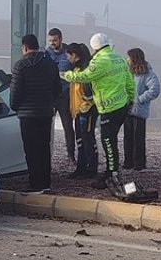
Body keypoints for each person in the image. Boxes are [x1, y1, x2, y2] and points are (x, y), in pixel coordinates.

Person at [62, 33, 135, 189]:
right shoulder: (119, 58)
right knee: (111, 141)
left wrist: (66, 75)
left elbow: (86, 76)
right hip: (121, 106)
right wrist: (131, 99)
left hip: (108, 108)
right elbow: (129, 81)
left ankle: (112, 174)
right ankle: (111, 171)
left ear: (94, 46)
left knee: (108, 142)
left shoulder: (99, 60)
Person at [10, 33, 62, 195]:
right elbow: (58, 88)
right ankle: (46, 183)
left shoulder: (20, 65)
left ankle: (35, 183)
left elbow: (15, 92)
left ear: (24, 47)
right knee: (44, 148)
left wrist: (16, 107)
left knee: (31, 149)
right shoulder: (50, 63)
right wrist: (49, 103)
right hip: (46, 112)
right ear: (38, 46)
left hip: (27, 114)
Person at [64, 43, 98, 178]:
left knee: (88, 139)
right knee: (80, 140)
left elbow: (89, 90)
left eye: (68, 56)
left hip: (87, 110)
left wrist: (86, 103)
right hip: (78, 111)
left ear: (74, 55)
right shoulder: (76, 69)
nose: (67, 59)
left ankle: (92, 169)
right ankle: (81, 168)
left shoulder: (85, 69)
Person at [124, 47, 159, 170]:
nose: (127, 60)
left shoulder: (148, 74)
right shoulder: (128, 73)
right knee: (127, 138)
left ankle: (139, 163)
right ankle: (128, 162)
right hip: (128, 109)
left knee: (138, 139)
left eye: (128, 57)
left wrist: (139, 99)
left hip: (139, 111)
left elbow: (155, 90)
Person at [43, 28, 76, 162]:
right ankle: (46, 154)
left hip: (64, 94)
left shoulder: (69, 53)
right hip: (50, 94)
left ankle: (71, 154)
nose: (52, 43)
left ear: (61, 39)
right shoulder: (46, 53)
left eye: (55, 40)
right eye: (50, 41)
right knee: (46, 125)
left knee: (67, 125)